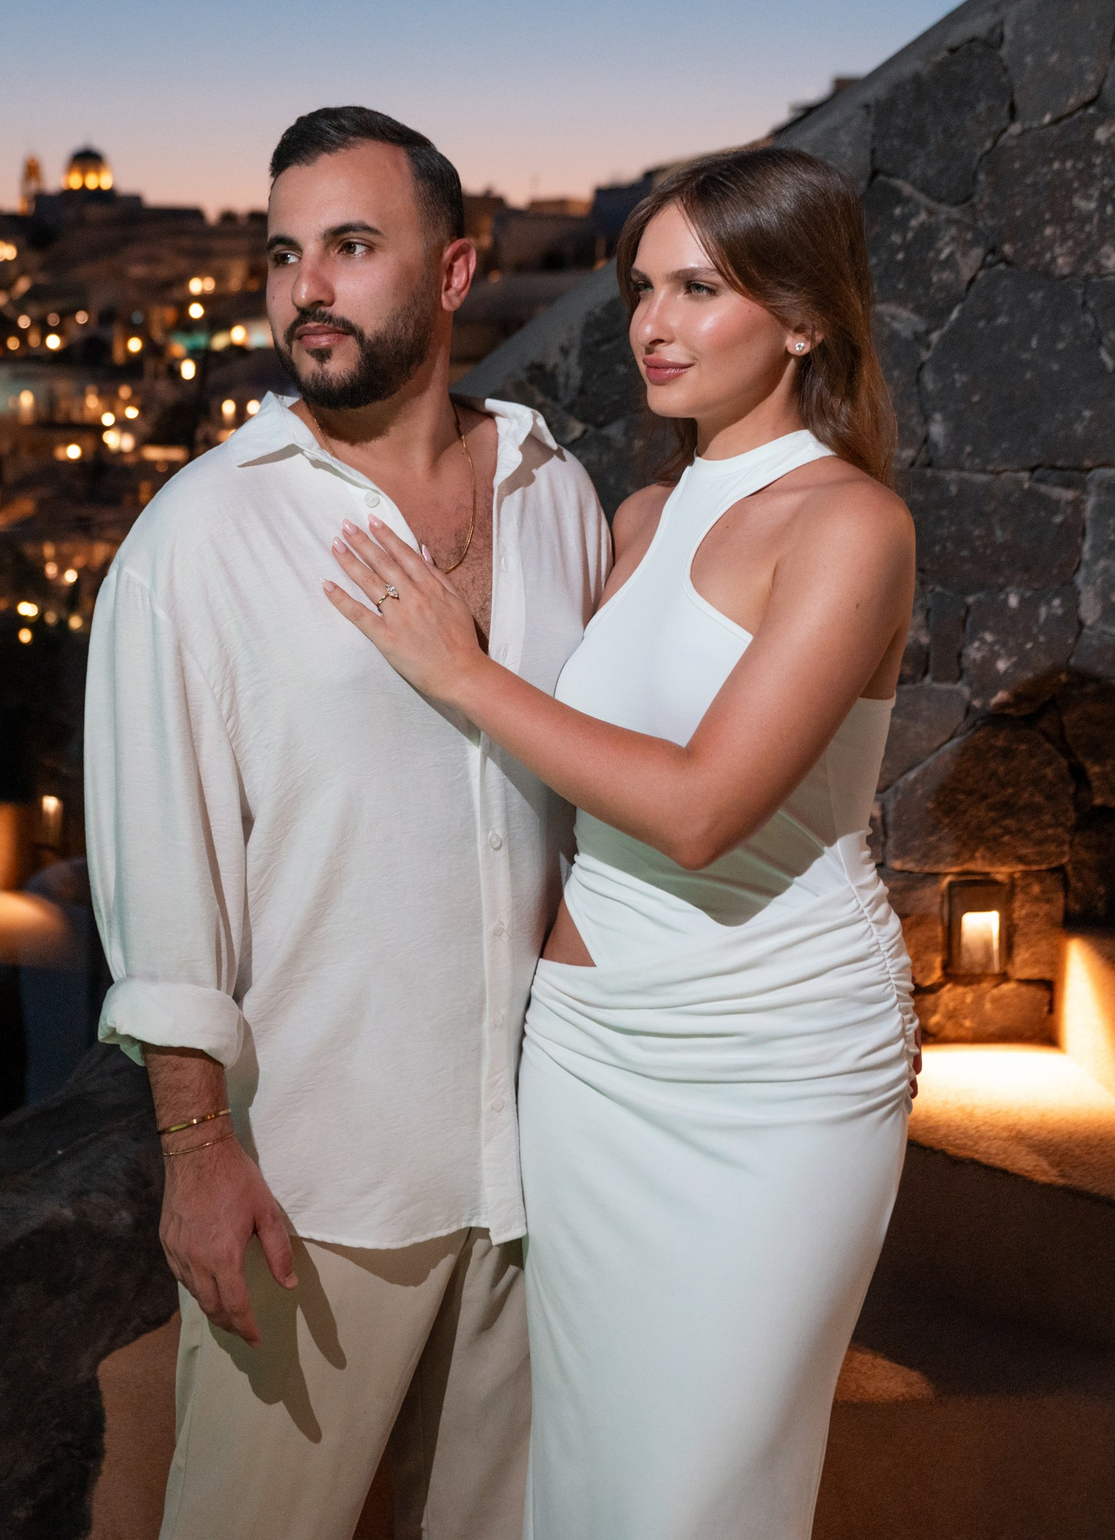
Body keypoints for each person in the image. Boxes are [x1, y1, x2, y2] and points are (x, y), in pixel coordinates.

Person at [326, 146, 920, 1539]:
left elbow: (706, 808)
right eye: (642, 287)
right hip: (591, 1057)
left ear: (806, 315)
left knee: (695, 1496)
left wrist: (462, 671)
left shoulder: (849, 525)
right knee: (584, 1476)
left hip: (772, 1065)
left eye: (700, 289)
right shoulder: (642, 515)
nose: (653, 323)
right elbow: (574, 777)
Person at [86, 106, 609, 1539]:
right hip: (318, 1186)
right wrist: (196, 1157)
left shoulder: (554, 493)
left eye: (352, 247)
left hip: (548, 1164)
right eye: (282, 254)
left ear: (452, 274)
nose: (305, 287)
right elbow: (162, 878)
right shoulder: (200, 536)